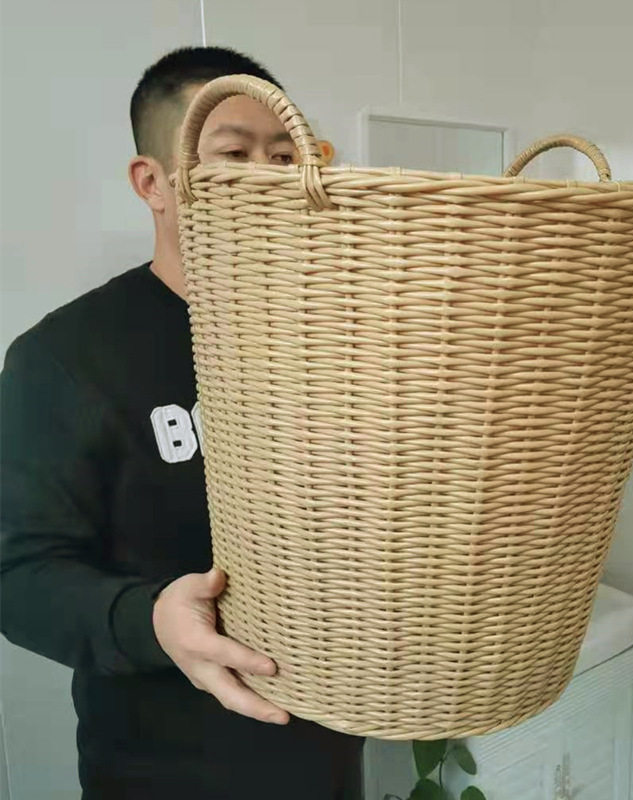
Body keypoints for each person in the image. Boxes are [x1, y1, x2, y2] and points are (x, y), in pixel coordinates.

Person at [0, 46, 364, 799]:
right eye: (233, 154)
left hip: (329, 750)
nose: (265, 179)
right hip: (163, 768)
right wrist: (151, 621)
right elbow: (18, 575)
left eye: (284, 156)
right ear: (153, 182)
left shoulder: (332, 337)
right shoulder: (66, 356)